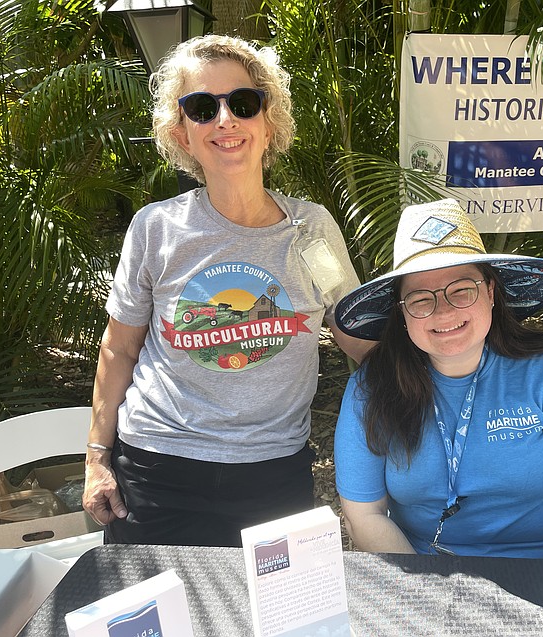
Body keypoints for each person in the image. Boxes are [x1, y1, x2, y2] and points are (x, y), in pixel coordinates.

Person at [82, 35, 371, 546]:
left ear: (268, 121)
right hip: (157, 468)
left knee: (274, 623)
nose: (224, 120)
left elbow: (361, 341)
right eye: (201, 107)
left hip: (273, 473)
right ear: (182, 133)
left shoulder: (311, 230)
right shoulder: (157, 228)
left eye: (242, 103)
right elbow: (119, 347)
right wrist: (96, 459)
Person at [333, 199, 543, 559]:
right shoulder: (371, 388)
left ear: (490, 292)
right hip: (420, 576)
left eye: (461, 290)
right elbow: (364, 516)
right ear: (402, 314)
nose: (443, 311)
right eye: (421, 299)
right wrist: (425, 596)